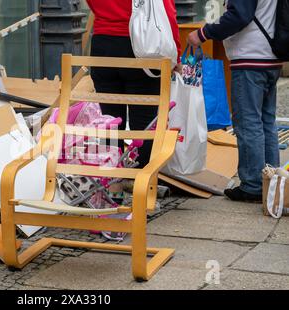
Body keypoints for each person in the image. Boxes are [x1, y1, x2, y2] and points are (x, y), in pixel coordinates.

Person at [188, 0, 283, 203]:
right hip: (271, 56)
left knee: (248, 123)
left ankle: (253, 186)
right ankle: (272, 181)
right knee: (266, 122)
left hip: (250, 57)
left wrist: (203, 33)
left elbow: (239, 16)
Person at [86, 0, 182, 168]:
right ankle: (140, 179)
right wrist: (176, 55)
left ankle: (113, 183)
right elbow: (166, 13)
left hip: (103, 44)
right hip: (141, 43)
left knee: (110, 120)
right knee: (144, 123)